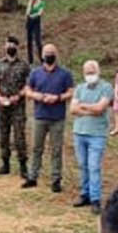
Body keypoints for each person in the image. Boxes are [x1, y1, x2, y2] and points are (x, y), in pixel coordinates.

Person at [24, 42, 74, 192]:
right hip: (40, 116)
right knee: (36, 148)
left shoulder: (65, 74)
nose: (49, 55)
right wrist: (37, 96)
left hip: (57, 117)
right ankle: (32, 177)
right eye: (46, 52)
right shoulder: (35, 73)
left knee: (56, 149)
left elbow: (71, 91)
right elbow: (27, 90)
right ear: (42, 55)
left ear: (56, 55)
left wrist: (58, 97)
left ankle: (56, 179)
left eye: (51, 52)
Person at [70, 60, 113, 212]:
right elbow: (73, 109)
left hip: (97, 134)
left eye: (92, 72)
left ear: (98, 71)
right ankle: (85, 194)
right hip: (79, 132)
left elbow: (101, 108)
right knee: (83, 165)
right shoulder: (80, 88)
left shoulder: (106, 87)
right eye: (87, 73)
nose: (90, 75)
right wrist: (91, 109)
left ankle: (95, 198)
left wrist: (83, 106)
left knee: (94, 166)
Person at [0, 38, 32, 178]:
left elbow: (29, 84)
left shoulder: (24, 65)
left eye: (13, 44)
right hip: (2, 105)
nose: (10, 47)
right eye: (8, 44)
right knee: (3, 135)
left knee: (19, 136)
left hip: (18, 106)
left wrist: (19, 95)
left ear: (17, 47)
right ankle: (5, 164)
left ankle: (23, 166)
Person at [25, 0, 45, 64]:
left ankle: (41, 58)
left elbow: (40, 13)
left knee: (38, 41)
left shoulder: (41, 4)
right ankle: (30, 60)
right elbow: (27, 12)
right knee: (29, 41)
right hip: (29, 22)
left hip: (36, 22)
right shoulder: (30, 3)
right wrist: (31, 3)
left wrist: (33, 15)